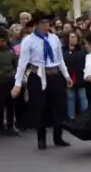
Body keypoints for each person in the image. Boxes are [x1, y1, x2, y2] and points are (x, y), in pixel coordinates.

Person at [11, 11, 73, 150]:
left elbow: (60, 59)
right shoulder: (29, 40)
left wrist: (66, 76)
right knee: (40, 107)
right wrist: (17, 84)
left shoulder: (54, 38)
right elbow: (22, 63)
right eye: (44, 23)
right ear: (37, 25)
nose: (47, 25)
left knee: (58, 106)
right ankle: (41, 138)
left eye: (48, 23)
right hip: (37, 76)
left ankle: (58, 137)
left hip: (54, 75)